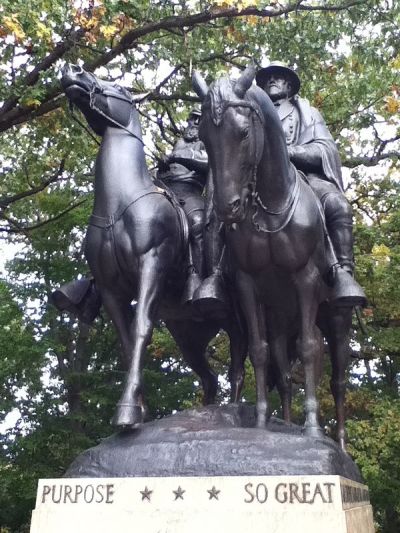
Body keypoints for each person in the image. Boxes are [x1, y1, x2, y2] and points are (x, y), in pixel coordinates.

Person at [255, 61, 366, 306]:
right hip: (258, 184)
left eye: (279, 76)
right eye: (268, 77)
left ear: (290, 85)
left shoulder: (307, 113)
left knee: (337, 205)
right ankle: (217, 275)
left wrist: (289, 152)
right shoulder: (251, 112)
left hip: (305, 179)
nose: (272, 80)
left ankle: (343, 272)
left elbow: (324, 149)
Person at [157, 109, 227, 310]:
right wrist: (164, 162)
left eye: (199, 119)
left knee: (197, 224)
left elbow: (209, 163)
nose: (193, 123)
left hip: (189, 192)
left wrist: (176, 156)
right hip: (162, 189)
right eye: (191, 118)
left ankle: (195, 278)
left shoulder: (209, 143)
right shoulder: (178, 143)